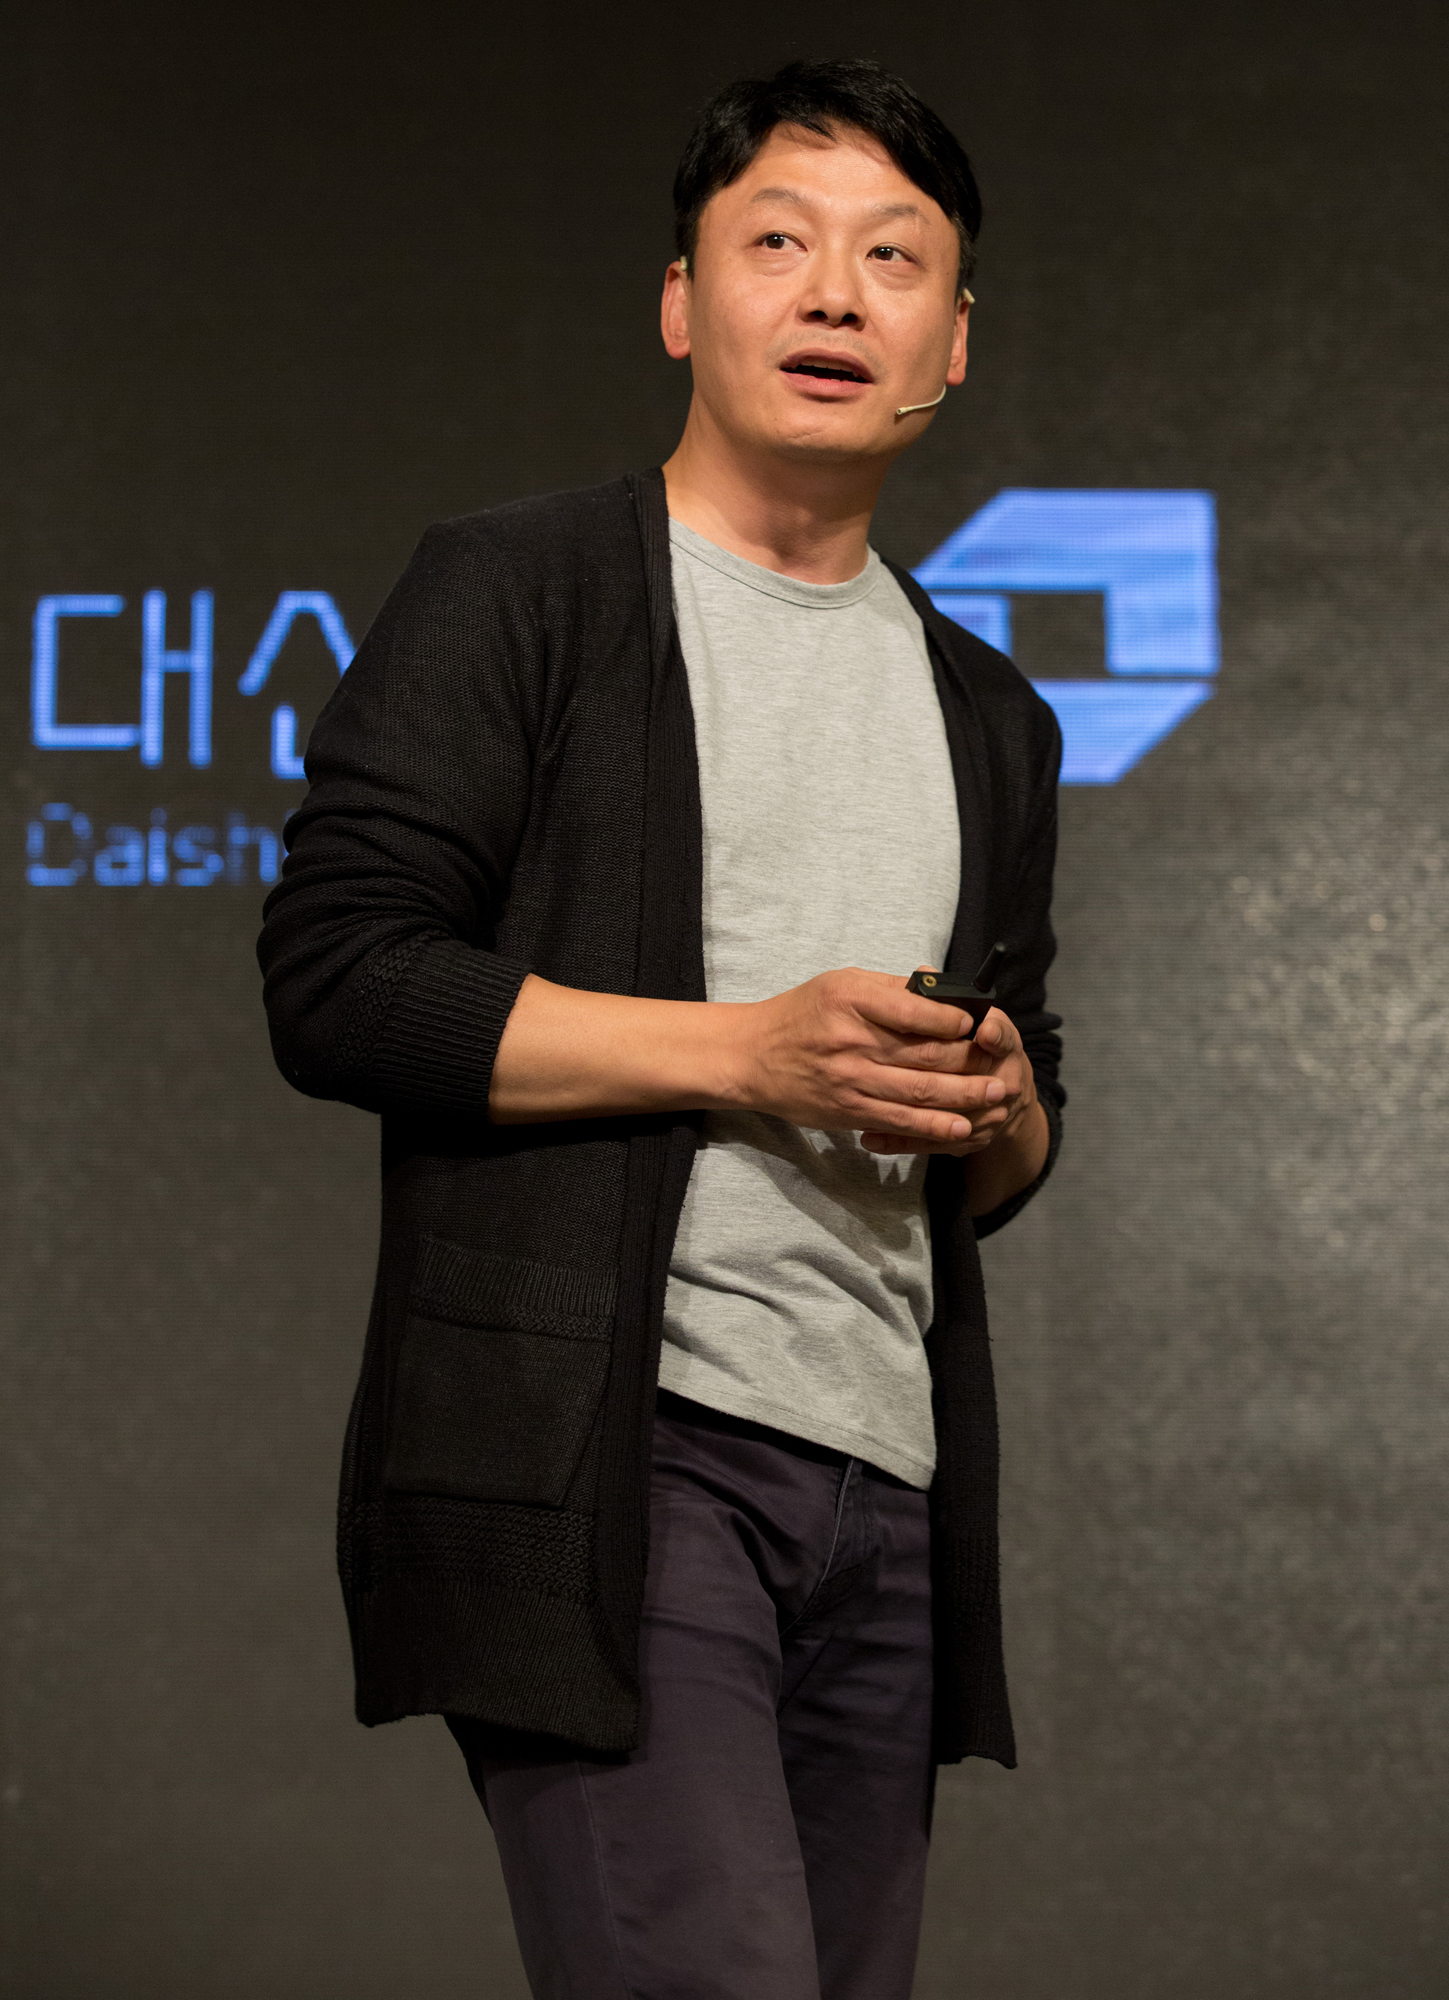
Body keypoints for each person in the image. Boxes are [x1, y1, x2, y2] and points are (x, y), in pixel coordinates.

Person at [259, 56, 1064, 2000]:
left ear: (951, 340)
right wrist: (747, 1052)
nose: (832, 293)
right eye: (775, 244)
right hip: (617, 1464)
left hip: (882, 1488)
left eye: (891, 259)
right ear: (681, 304)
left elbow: (1010, 1129)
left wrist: (1001, 1103)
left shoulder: (990, 713)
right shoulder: (519, 590)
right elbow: (340, 976)